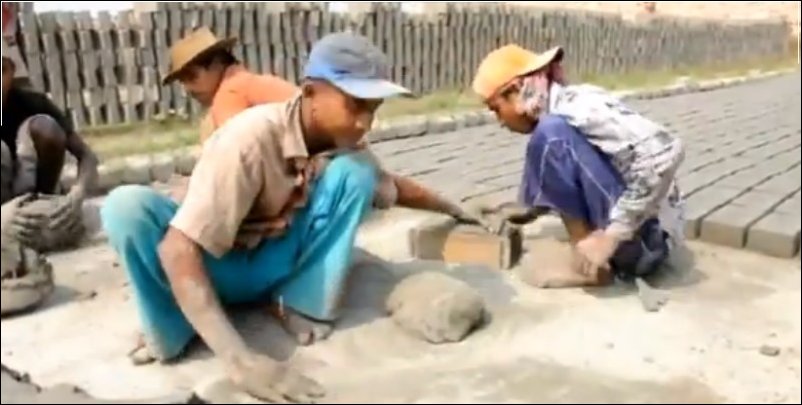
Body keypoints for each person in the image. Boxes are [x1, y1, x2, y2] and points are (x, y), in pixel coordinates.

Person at [101, 32, 483, 403]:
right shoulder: (247, 138)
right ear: (311, 92)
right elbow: (177, 247)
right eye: (355, 105)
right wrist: (241, 362)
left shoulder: (342, 143)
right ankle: (172, 322)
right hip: (215, 265)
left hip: (274, 262)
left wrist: (455, 208)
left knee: (358, 173)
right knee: (125, 207)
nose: (365, 123)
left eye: (373, 109)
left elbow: (392, 186)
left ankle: (297, 301)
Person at [472, 44, 685, 288]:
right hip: (644, 238)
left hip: (648, 244)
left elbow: (666, 152)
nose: (500, 121)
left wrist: (612, 236)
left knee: (551, 136)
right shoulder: (563, 109)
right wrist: (516, 210)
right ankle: (589, 251)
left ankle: (592, 267)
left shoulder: (576, 110)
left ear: (516, 89)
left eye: (497, 109)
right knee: (548, 138)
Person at [2, 39, 99, 252]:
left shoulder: (32, 102)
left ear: (12, 71)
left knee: (46, 127)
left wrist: (77, 194)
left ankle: (42, 208)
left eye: (2, 70)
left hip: (29, 191)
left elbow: (87, 156)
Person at [163, 27, 298, 143]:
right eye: (182, 81)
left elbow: (233, 151)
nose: (188, 88)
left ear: (217, 63)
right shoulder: (248, 83)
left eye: (191, 76)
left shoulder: (230, 93)